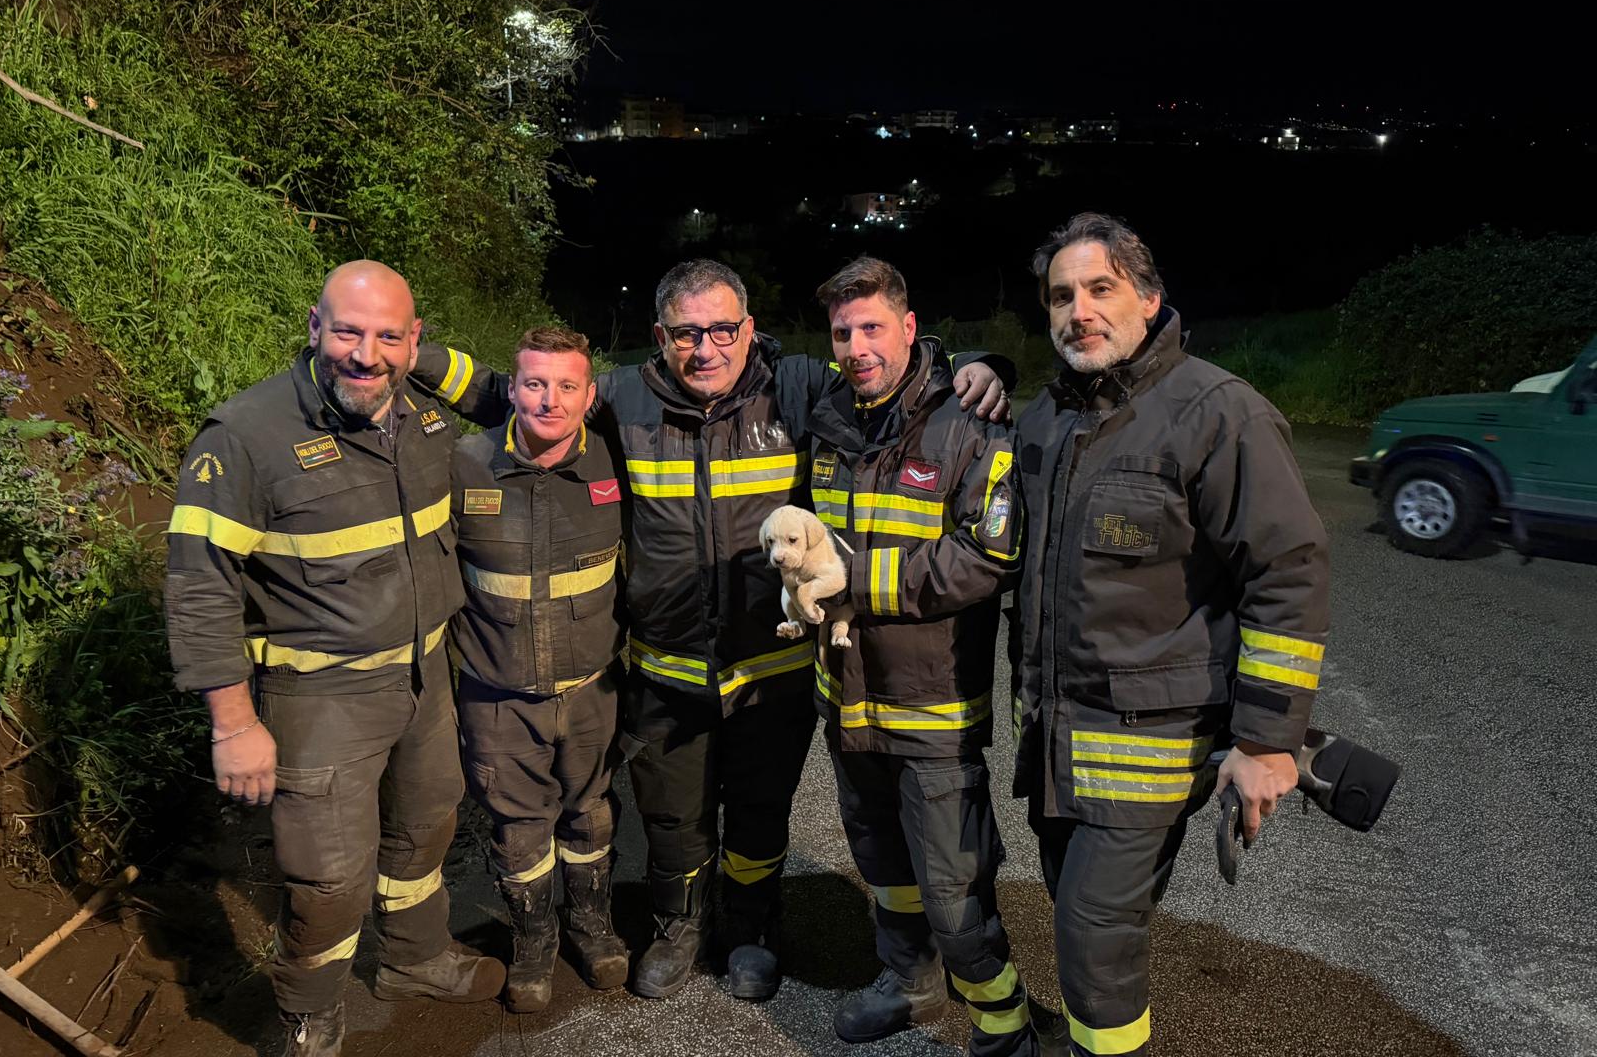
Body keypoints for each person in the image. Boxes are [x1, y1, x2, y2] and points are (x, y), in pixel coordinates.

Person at [411, 258, 1009, 1002]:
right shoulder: (624, 398)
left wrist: (978, 365)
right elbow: (522, 394)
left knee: (759, 818)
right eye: (687, 333)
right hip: (668, 670)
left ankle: (750, 932)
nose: (707, 348)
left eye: (723, 329)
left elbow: (886, 378)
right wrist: (415, 356)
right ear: (661, 337)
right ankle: (678, 927)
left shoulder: (795, 389)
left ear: (749, 329)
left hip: (771, 672)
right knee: (674, 823)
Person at [1009, 213, 1330, 1057]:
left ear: (1149, 299)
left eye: (1101, 288)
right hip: (1055, 745)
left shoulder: (1219, 414)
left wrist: (1266, 741)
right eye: (1061, 295)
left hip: (1149, 750)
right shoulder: (1042, 421)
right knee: (1075, 911)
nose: (1079, 309)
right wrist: (969, 367)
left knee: (1090, 937)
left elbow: (1287, 574)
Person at [164, 261, 504, 1057]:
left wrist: (417, 358)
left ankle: (415, 961)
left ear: (415, 342)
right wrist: (232, 722)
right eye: (348, 331)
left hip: (425, 677)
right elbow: (199, 587)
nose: (366, 354)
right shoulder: (246, 435)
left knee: (425, 827)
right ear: (315, 327)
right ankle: (308, 1013)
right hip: (320, 698)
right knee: (328, 877)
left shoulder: (422, 410)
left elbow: (509, 397)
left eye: (389, 336)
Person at [805, 257, 1044, 1057]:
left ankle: (1004, 1022)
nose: (856, 345)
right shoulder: (828, 414)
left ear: (911, 328)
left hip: (933, 705)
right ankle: (908, 983)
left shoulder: (972, 422)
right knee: (881, 861)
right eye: (843, 331)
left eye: (873, 327)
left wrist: (852, 581)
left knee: (953, 885)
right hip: (845, 697)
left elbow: (989, 557)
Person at [448, 326, 629, 1011]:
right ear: (512, 388)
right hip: (497, 698)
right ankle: (533, 940)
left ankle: (592, 923)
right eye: (533, 383)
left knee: (590, 817)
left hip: (590, 692)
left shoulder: (616, 466)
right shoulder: (464, 463)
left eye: (565, 386)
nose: (548, 400)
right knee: (517, 828)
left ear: (589, 396)